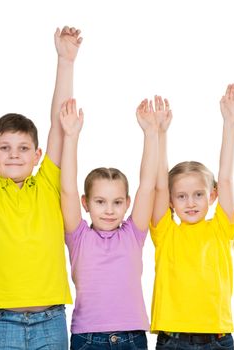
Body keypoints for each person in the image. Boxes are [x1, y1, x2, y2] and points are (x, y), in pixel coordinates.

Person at [0, 23, 82, 349]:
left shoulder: (49, 183)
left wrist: (66, 62)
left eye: (23, 149)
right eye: (5, 148)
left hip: (50, 319)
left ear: (37, 155)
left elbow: (59, 127)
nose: (14, 155)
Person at [59, 96, 169, 349]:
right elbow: (67, 189)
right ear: (85, 203)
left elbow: (147, 185)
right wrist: (71, 137)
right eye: (100, 202)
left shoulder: (133, 233)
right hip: (88, 338)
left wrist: (151, 134)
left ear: (127, 203)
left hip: (133, 337)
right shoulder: (78, 236)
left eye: (117, 202)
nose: (109, 210)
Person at [150, 84, 234, 350]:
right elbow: (159, 184)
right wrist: (160, 133)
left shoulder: (221, 229)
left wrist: (230, 123)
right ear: (171, 200)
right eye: (181, 196)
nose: (190, 203)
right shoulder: (165, 231)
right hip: (173, 340)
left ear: (212, 195)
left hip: (217, 339)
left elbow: (225, 177)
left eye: (198, 195)